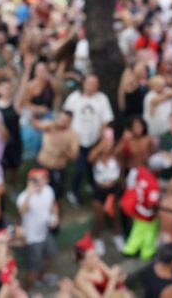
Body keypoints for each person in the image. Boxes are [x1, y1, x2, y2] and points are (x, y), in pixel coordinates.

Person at [63, 74, 114, 205]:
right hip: (77, 141)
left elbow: (105, 121)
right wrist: (69, 140)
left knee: (93, 165)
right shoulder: (74, 98)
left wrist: (101, 142)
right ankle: (73, 191)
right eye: (89, 83)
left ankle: (91, 185)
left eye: (95, 83)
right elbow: (66, 118)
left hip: (94, 140)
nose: (92, 86)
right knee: (79, 168)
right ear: (84, 83)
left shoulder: (102, 99)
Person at [17, 168, 59, 290]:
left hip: (45, 231)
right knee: (33, 270)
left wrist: (55, 217)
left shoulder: (48, 190)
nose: (40, 181)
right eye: (36, 179)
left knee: (51, 255)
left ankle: (41, 277)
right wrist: (30, 193)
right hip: (32, 238)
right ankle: (28, 290)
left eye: (43, 178)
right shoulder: (23, 197)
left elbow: (53, 205)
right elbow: (21, 211)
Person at [88, 129, 124, 255]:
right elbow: (90, 158)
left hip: (114, 189)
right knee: (99, 217)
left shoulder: (116, 154)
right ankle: (97, 238)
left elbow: (121, 170)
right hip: (99, 190)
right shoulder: (96, 155)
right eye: (105, 141)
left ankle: (117, 235)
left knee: (116, 215)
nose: (108, 144)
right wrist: (101, 146)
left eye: (110, 141)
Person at [33, 110, 79, 205]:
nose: (62, 122)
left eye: (65, 120)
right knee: (36, 190)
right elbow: (36, 126)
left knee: (56, 195)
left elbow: (75, 156)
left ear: (70, 122)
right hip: (41, 165)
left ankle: (54, 211)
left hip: (57, 169)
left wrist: (64, 150)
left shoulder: (72, 135)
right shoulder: (49, 125)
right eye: (61, 119)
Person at [73, 233, 129, 298]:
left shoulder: (98, 263)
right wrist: (113, 279)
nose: (96, 259)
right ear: (82, 262)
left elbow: (115, 279)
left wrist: (120, 275)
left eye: (96, 254)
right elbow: (112, 280)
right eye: (91, 257)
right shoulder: (81, 279)